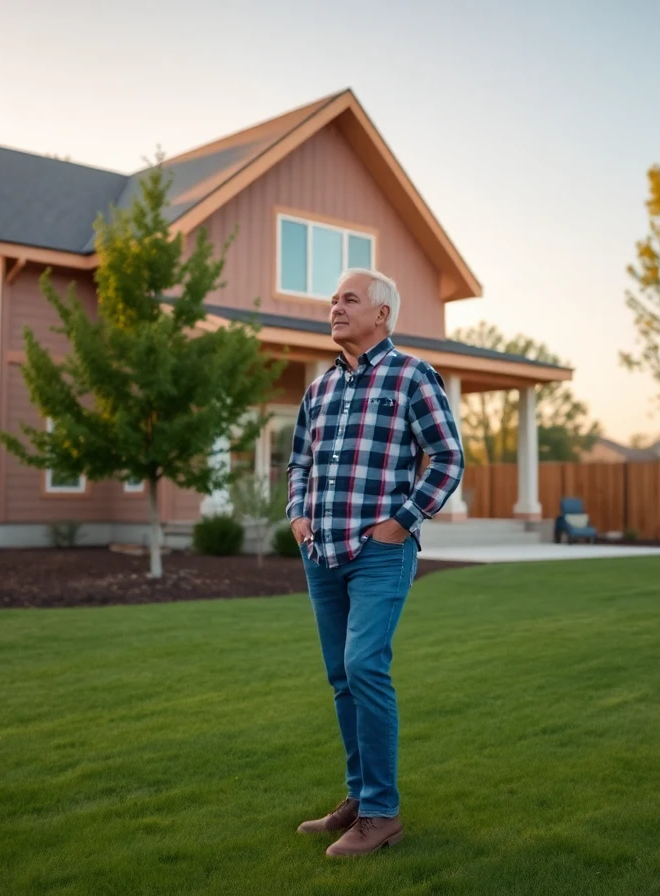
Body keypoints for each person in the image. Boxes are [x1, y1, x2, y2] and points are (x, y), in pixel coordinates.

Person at [286, 267, 465, 858]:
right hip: (323, 554)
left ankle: (383, 814)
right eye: (333, 300)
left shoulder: (412, 377)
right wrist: (298, 515)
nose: (335, 308)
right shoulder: (319, 390)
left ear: (381, 314)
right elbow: (298, 464)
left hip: (379, 556)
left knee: (364, 666)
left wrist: (400, 524)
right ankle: (359, 798)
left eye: (349, 300)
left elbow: (446, 457)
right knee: (342, 678)